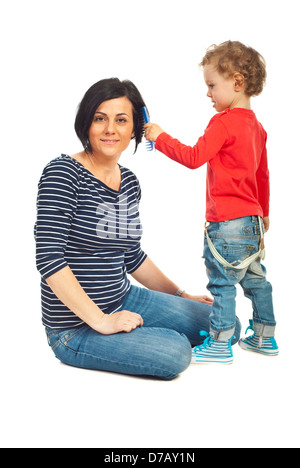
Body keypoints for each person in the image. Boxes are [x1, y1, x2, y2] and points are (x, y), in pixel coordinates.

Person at [34, 77, 241, 379]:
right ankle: (133, 336)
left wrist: (181, 295)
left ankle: (139, 329)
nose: (110, 130)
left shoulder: (129, 181)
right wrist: (102, 321)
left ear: (134, 129)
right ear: (86, 124)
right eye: (99, 119)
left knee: (226, 325)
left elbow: (131, 255)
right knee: (176, 353)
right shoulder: (63, 173)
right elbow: (48, 258)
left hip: (124, 297)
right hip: (75, 327)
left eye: (121, 120)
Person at [145, 41, 279, 364]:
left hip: (226, 224)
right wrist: (265, 215)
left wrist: (159, 137)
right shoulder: (257, 129)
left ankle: (220, 343)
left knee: (221, 283)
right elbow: (262, 176)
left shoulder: (223, 123)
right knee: (256, 279)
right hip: (253, 224)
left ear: (237, 82)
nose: (208, 94)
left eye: (211, 86)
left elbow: (193, 157)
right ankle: (264, 336)